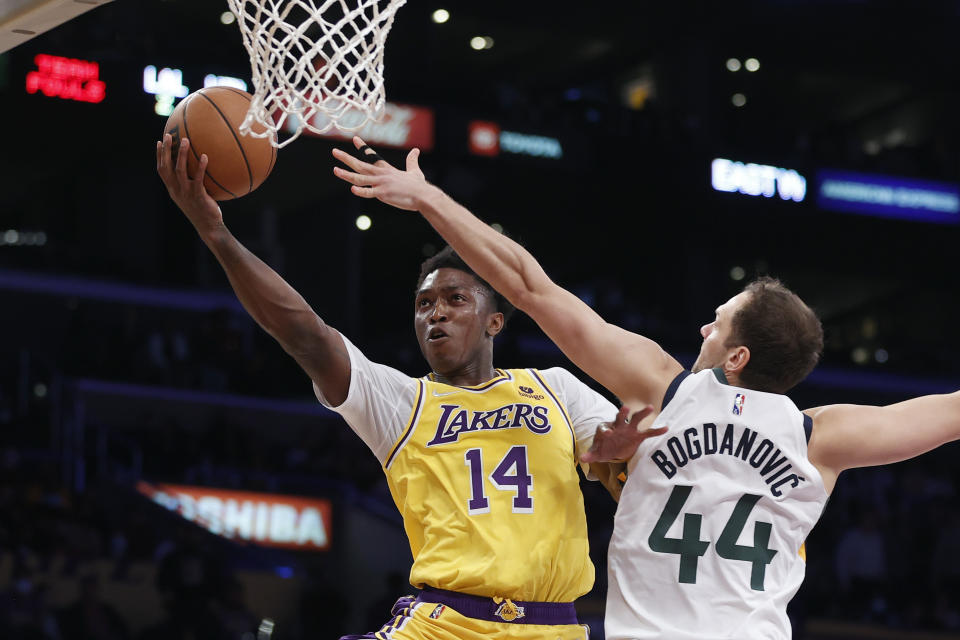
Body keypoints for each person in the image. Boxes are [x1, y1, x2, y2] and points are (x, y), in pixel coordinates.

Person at [332, 135, 960, 640]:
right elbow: (942, 414)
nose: (702, 326)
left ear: (736, 355)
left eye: (717, 322)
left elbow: (528, 286)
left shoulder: (666, 387)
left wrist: (429, 199)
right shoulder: (821, 436)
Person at [155, 134, 646, 640]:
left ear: (495, 322)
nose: (436, 312)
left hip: (554, 626)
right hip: (444, 624)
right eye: (424, 303)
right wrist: (216, 234)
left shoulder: (556, 389)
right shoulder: (402, 402)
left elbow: (622, 480)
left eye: (455, 299)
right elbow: (306, 335)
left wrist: (620, 461)